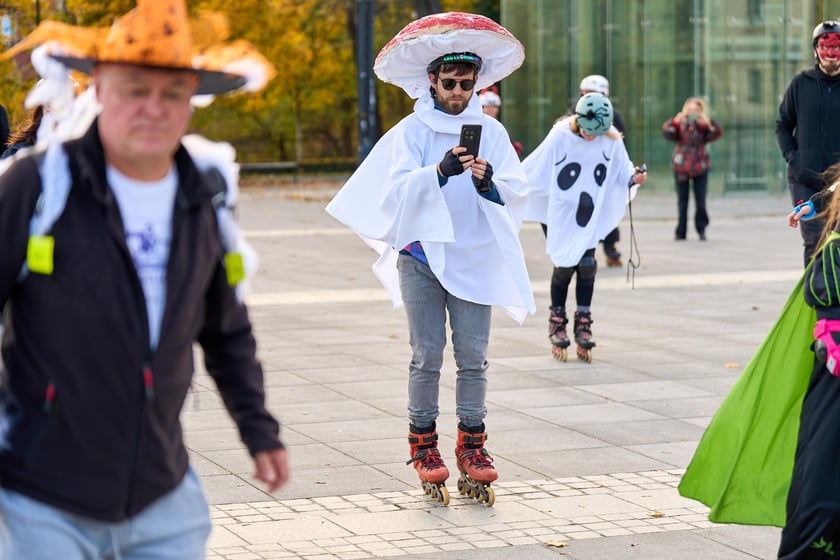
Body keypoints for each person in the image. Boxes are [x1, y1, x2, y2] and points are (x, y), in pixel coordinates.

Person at [0, 1, 289, 558]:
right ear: (101, 89)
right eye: (136, 89)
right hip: (41, 493)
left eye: (171, 93)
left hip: (161, 491)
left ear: (190, 101)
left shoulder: (201, 195)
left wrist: (259, 429)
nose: (153, 109)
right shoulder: (38, 186)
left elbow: (227, 330)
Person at [326, 12, 534, 506]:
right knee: (427, 354)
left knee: (474, 357)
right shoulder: (410, 131)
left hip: (472, 255)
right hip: (420, 256)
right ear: (432, 82)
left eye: (467, 84)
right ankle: (423, 444)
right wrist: (436, 173)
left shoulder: (492, 133)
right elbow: (391, 193)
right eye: (450, 83)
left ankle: (473, 446)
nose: (459, 93)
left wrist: (488, 183)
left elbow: (517, 191)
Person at [522, 92, 647, 362]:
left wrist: (635, 177)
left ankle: (583, 322)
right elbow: (536, 167)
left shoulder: (610, 136)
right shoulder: (560, 135)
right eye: (588, 133)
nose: (592, 138)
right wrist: (511, 185)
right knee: (566, 265)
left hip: (589, 212)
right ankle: (557, 320)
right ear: (578, 122)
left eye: (597, 134)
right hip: (561, 212)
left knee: (588, 265)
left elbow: (621, 170)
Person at [777, 20, 840, 266]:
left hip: (838, 184)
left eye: (836, 47)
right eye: (825, 47)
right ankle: (815, 301)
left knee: (835, 242)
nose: (831, 54)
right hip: (804, 181)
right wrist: (795, 159)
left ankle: (833, 300)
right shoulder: (800, 84)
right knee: (815, 242)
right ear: (816, 50)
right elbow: (782, 124)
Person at [575, 75, 624, 266]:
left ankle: (611, 247)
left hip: (602, 172)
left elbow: (620, 144)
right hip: (579, 174)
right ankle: (583, 249)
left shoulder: (613, 116)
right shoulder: (575, 113)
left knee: (607, 208)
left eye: (592, 94)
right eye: (584, 94)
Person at [663, 96, 723, 241]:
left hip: (700, 165)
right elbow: (668, 133)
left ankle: (701, 228)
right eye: (689, 110)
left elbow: (716, 133)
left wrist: (707, 122)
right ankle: (681, 231)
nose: (692, 113)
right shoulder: (679, 124)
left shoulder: (703, 126)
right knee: (682, 201)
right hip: (681, 165)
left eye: (696, 110)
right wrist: (676, 121)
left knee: (700, 201)